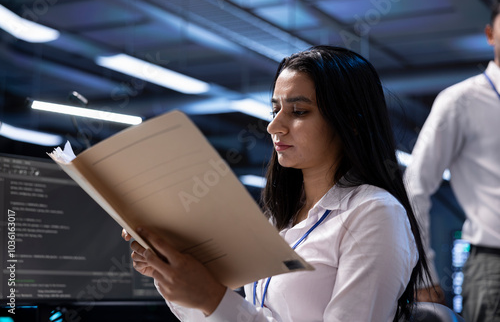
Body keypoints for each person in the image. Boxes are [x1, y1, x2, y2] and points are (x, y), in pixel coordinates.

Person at [122, 45, 431, 321]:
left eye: (298, 111)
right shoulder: (278, 218)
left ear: (349, 121)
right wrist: (172, 272)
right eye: (275, 110)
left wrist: (212, 297)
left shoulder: (375, 213)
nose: (274, 126)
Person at [403, 0, 500, 322]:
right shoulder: (461, 101)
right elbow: (415, 186)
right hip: (493, 266)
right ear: (490, 34)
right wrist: (425, 275)